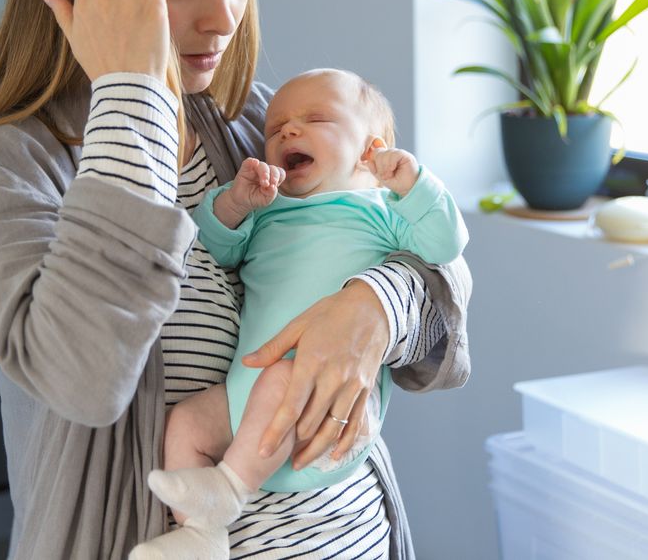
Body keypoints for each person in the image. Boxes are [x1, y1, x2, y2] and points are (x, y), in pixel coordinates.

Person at [0, 0, 472, 560]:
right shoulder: (2, 166)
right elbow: (84, 377)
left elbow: (442, 292)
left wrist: (373, 307)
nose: (224, 17)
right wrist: (130, 95)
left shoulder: (256, 129)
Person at [134, 68, 468, 559]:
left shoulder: (381, 209)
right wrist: (233, 204)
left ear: (370, 150)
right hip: (241, 402)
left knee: (280, 378)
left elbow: (445, 250)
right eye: (276, 129)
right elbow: (214, 250)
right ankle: (200, 534)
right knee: (183, 426)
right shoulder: (269, 210)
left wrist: (414, 186)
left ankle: (228, 489)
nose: (288, 131)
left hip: (318, 405)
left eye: (315, 119)